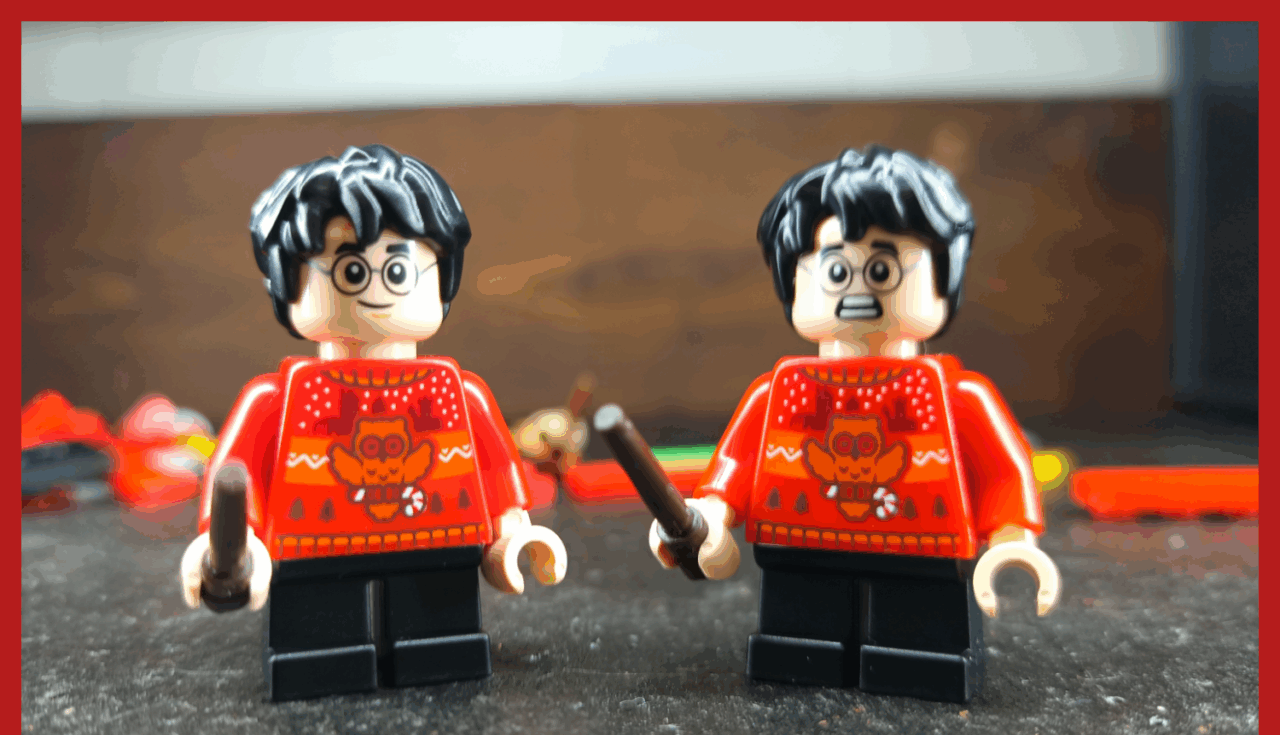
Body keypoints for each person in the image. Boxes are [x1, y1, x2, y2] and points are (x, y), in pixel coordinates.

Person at [648, 145, 1060, 703]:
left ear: (944, 278)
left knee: (918, 636)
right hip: (797, 546)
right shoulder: (776, 393)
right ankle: (799, 651)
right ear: (794, 281)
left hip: (922, 550)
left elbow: (1004, 471)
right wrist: (708, 517)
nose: (857, 290)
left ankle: (920, 662)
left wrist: (1013, 539)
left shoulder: (959, 397)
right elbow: (733, 466)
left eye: (883, 268)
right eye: (836, 270)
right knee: (799, 628)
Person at [179, 144, 566, 701]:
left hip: (438, 544)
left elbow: (499, 473)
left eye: (400, 267)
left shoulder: (460, 392)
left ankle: (439, 650)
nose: (378, 287)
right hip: (312, 550)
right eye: (351, 270)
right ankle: (319, 662)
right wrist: (228, 543)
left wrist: (513, 533)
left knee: (441, 634)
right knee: (317, 640)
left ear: (441, 275)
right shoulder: (275, 399)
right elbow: (231, 473)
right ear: (288, 284)